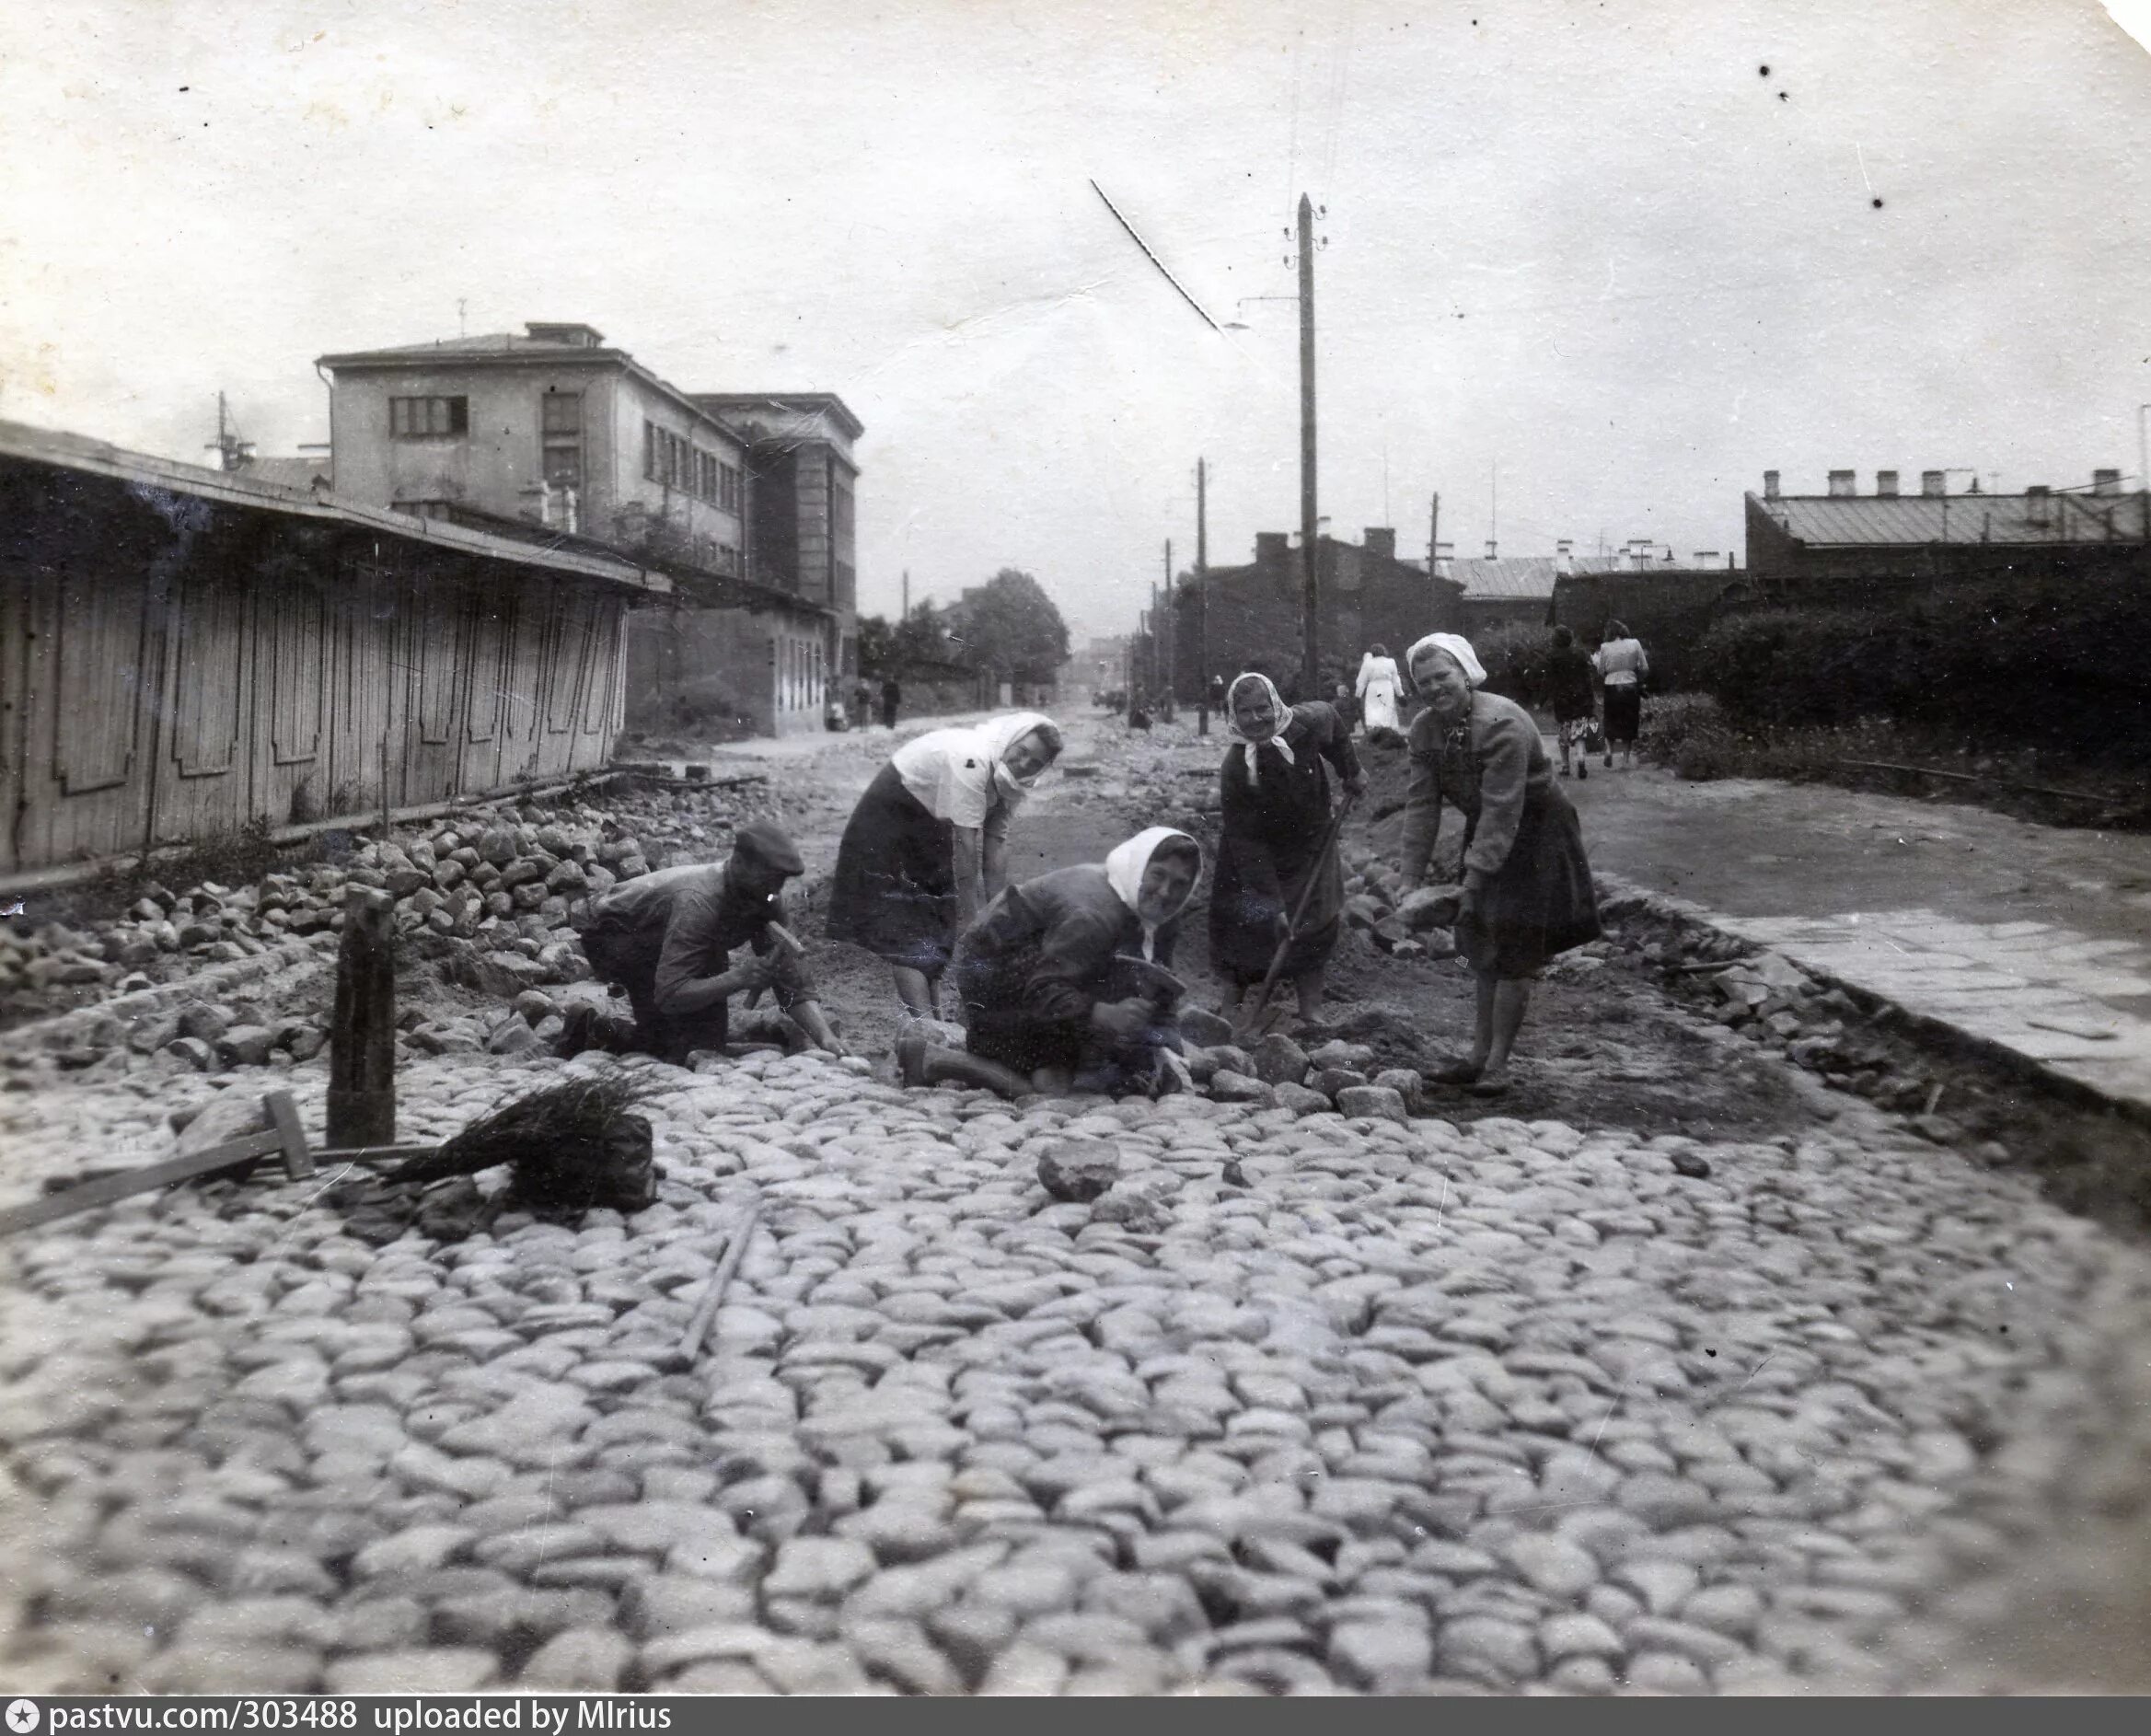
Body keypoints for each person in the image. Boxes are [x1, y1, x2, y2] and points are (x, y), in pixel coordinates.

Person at [1396, 632, 1601, 1095]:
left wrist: (1473, 881)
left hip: (1536, 830)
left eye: (1443, 676)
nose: (1433, 688)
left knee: (1514, 946)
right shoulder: (1426, 730)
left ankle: (1498, 1064)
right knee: (1481, 941)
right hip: (1488, 825)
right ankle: (1476, 1056)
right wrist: (1408, 879)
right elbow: (1421, 806)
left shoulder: (1501, 722)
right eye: (1423, 681)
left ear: (1466, 674)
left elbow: (1503, 806)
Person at [900, 827, 1203, 1099]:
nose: (1166, 892)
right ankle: (936, 1059)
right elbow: (1042, 990)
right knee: (1052, 1089)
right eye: (1158, 875)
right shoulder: (1092, 916)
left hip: (1056, 969)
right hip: (997, 973)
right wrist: (1103, 1013)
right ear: (1140, 867)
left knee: (1118, 1062)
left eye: (1179, 883)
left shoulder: (1159, 914)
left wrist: (1167, 1048)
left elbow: (1161, 986)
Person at [825, 711, 1063, 1017]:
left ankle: (934, 1022)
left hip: (930, 823)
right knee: (908, 929)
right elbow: (965, 843)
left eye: (1035, 763)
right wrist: (971, 917)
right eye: (1022, 753)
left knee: (937, 921)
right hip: (888, 820)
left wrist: (998, 913)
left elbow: (996, 844)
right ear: (1011, 741)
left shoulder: (1014, 783)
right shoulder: (972, 759)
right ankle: (923, 1027)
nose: (1023, 765)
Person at [559, 821, 845, 1063]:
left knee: (706, 1045)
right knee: (678, 1055)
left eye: (781, 881)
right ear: (740, 862)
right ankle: (595, 1028)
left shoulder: (766, 897)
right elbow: (670, 994)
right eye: (769, 879)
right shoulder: (699, 901)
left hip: (674, 937)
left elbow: (791, 982)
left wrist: (825, 1037)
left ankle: (643, 1032)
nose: (775, 890)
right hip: (616, 937)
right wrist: (738, 978)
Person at [1210, 672, 1368, 1031]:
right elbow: (1246, 841)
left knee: (1317, 922)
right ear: (1233, 716)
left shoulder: (1306, 723)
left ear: (1275, 704)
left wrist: (1351, 770)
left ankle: (1311, 1010)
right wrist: (1272, 902)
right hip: (1254, 854)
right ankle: (1231, 1010)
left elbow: (1334, 719)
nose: (1256, 719)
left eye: (1262, 708)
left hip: (1312, 844)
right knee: (1244, 924)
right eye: (1245, 712)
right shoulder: (1236, 767)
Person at [1591, 620, 1649, 769]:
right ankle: (1625, 760)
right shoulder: (1635, 643)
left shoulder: (1605, 647)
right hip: (1630, 685)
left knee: (1611, 719)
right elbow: (1644, 667)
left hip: (1611, 685)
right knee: (1629, 721)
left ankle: (1609, 750)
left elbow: (1601, 670)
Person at [1545, 624, 1598, 780]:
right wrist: (1590, 698)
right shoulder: (1580, 654)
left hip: (1562, 701)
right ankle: (1581, 759)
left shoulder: (1553, 656)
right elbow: (1587, 679)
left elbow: (1549, 680)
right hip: (1580, 699)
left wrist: (1542, 698)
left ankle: (1565, 766)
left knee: (1564, 733)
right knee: (1579, 734)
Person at [1356, 642, 1403, 737]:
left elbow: (1361, 680)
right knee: (1387, 709)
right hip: (1387, 687)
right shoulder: (1391, 662)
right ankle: (1387, 732)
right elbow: (1396, 680)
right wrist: (1401, 694)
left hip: (1373, 688)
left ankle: (1375, 733)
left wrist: (1358, 695)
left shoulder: (1368, 663)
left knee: (1373, 709)